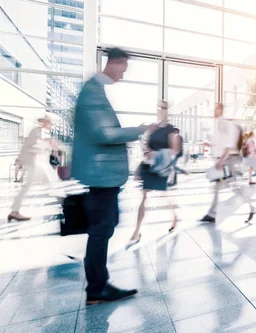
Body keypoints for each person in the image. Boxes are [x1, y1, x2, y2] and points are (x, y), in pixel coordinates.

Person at [72, 48, 147, 304]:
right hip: (100, 175)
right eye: (123, 69)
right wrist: (137, 130)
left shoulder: (95, 90)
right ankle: (96, 288)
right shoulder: (93, 90)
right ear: (114, 63)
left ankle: (98, 285)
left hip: (104, 176)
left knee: (105, 227)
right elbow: (103, 134)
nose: (123, 76)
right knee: (101, 230)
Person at [128, 100, 180, 246]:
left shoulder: (170, 129)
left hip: (161, 167)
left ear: (167, 110)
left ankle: (174, 217)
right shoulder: (153, 128)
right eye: (159, 108)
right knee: (144, 196)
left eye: (163, 108)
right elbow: (145, 144)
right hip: (150, 167)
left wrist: (157, 154)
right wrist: (147, 152)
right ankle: (137, 231)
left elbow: (174, 150)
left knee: (163, 196)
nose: (161, 110)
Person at [200, 103, 255, 223]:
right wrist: (210, 145)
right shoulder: (220, 124)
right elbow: (222, 143)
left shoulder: (225, 124)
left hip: (228, 160)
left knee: (224, 186)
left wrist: (221, 161)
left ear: (220, 110)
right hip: (227, 159)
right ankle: (250, 206)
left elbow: (229, 146)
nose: (213, 111)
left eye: (215, 109)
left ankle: (212, 214)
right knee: (230, 186)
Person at [8, 113, 63, 222]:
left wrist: (48, 146)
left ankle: (14, 211)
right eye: (48, 123)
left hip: (32, 161)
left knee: (36, 185)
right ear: (44, 122)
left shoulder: (40, 132)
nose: (49, 125)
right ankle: (14, 211)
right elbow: (29, 147)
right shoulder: (36, 131)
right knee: (48, 183)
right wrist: (45, 147)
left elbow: (39, 145)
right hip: (29, 161)